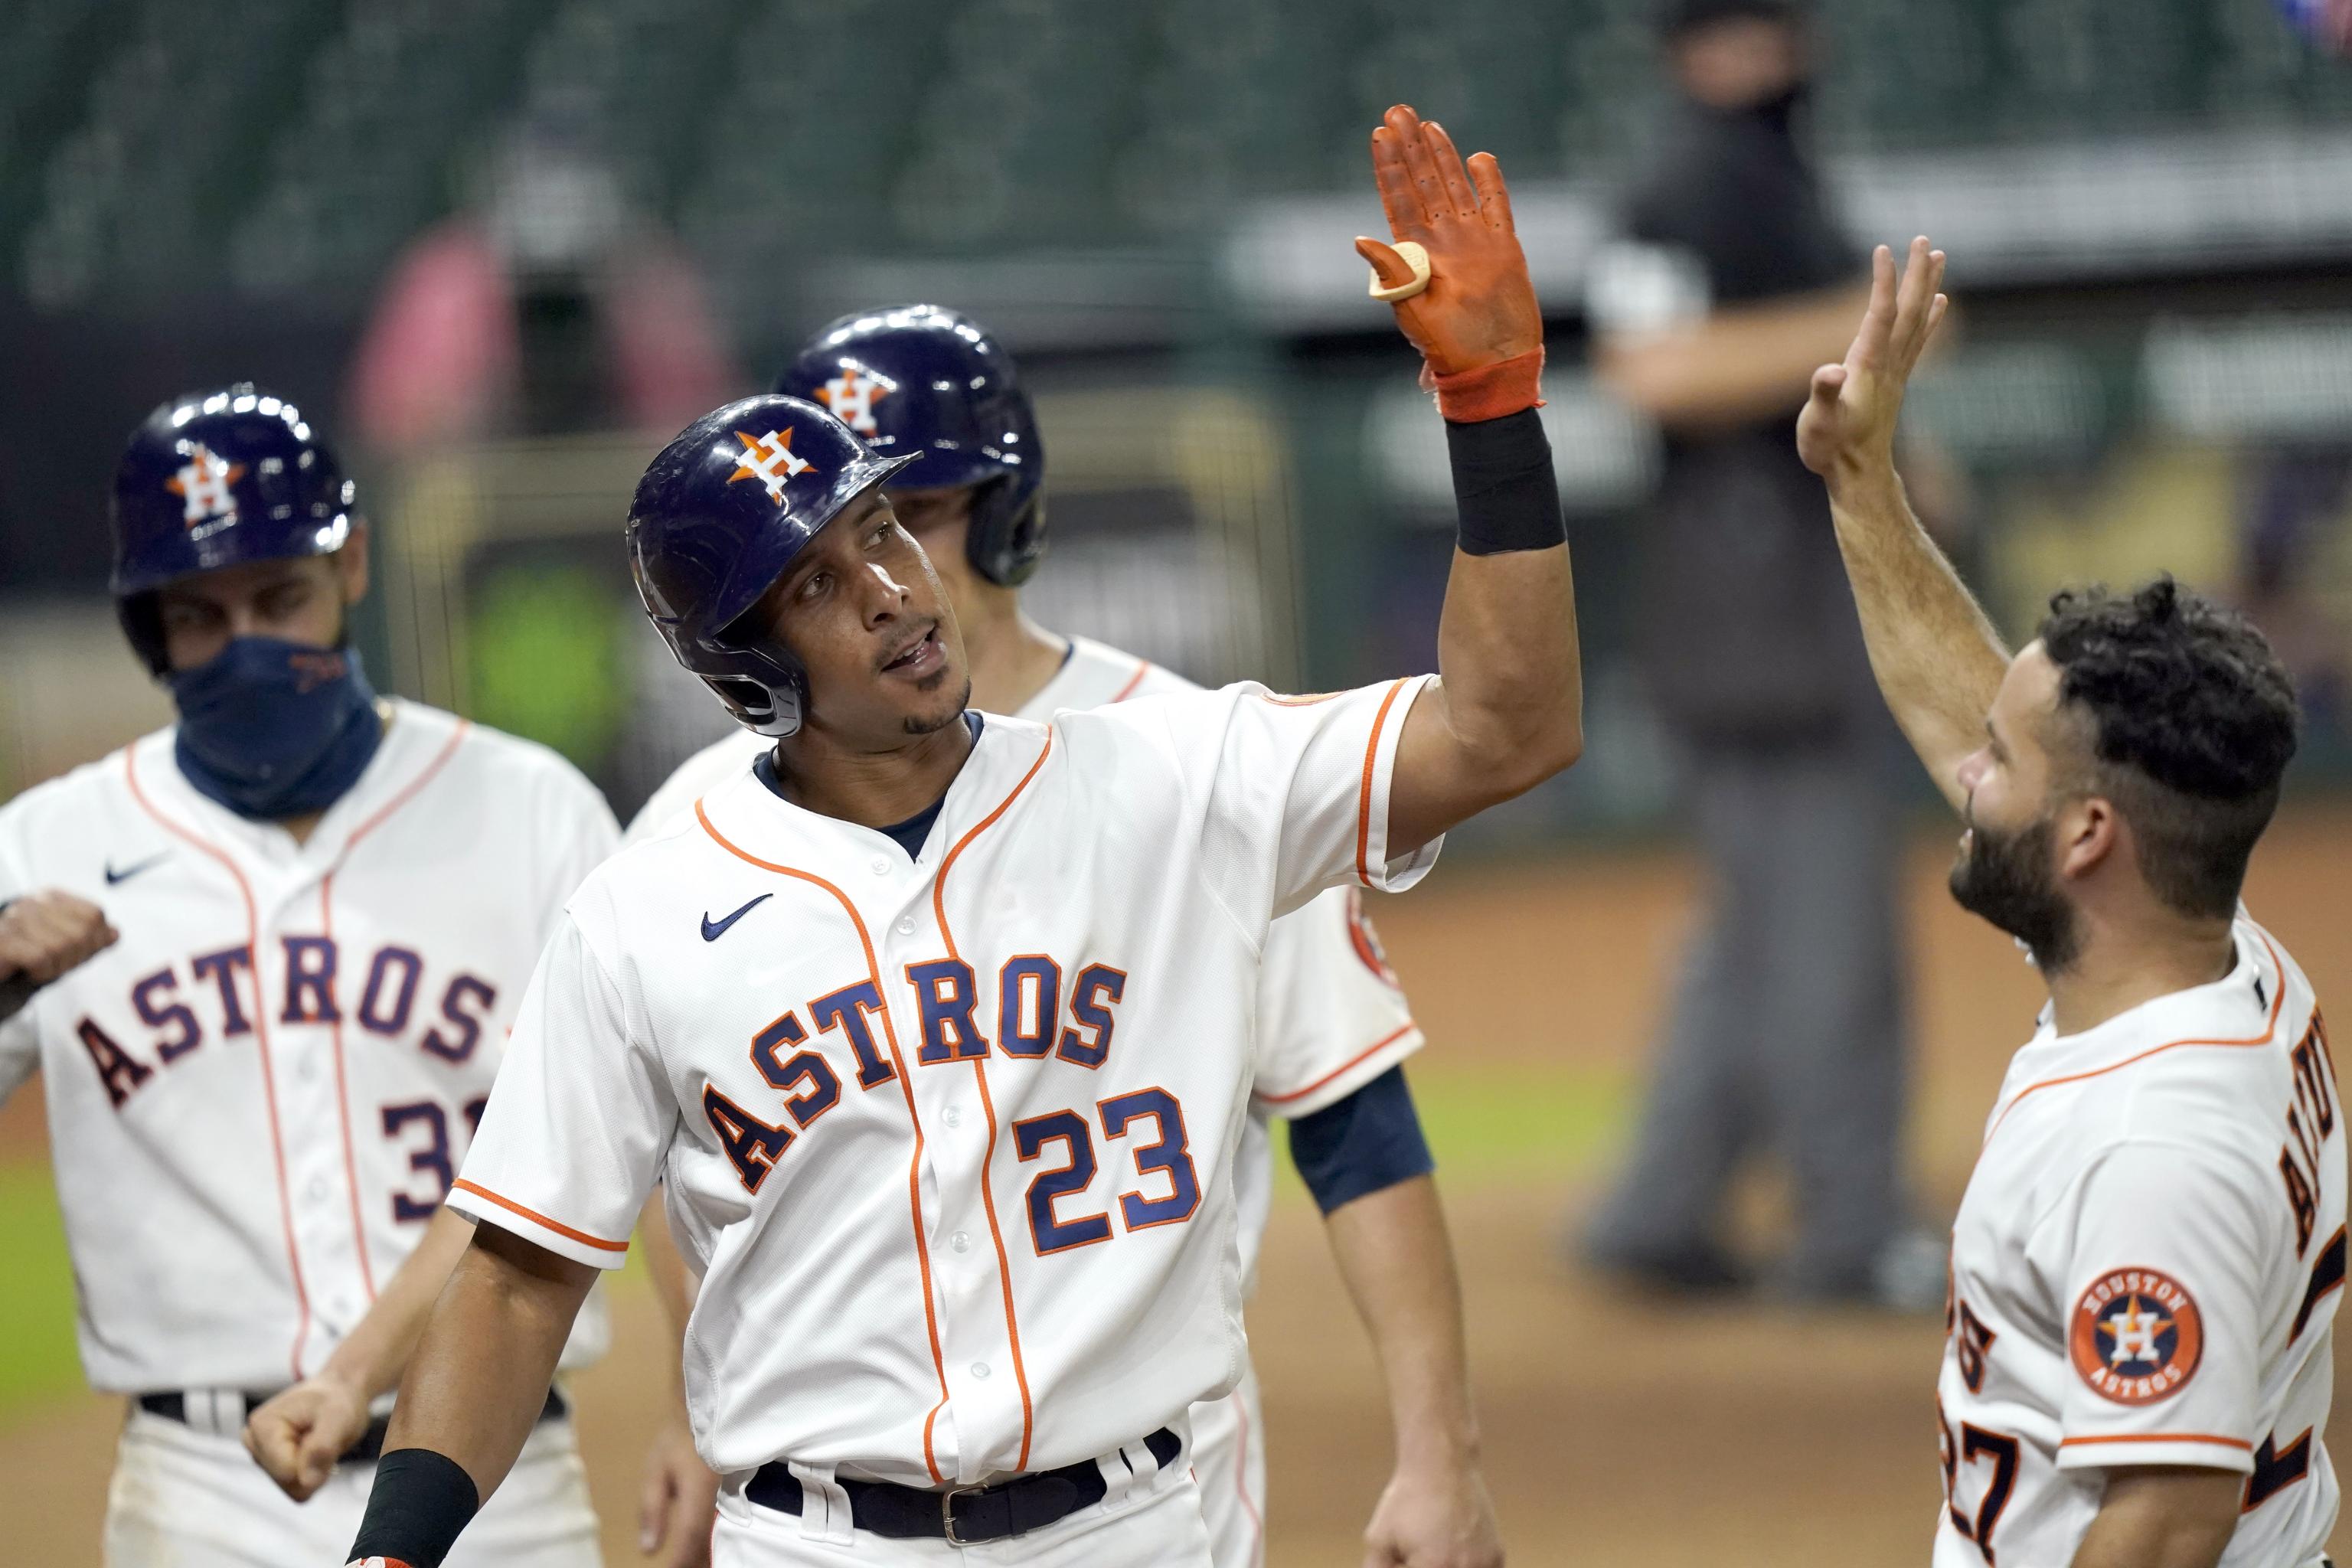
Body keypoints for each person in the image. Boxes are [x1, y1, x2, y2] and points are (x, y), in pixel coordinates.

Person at [339, 103, 1575, 1568]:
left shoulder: (1176, 779)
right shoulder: (644, 908)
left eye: (890, 530)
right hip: (818, 1539)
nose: (888, 588)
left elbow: (1508, 728)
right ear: (749, 664)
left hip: (1143, 1522)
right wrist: (391, 1551)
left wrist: (1489, 402)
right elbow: (520, 1276)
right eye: (817, 581)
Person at [621, 302, 1502, 1568]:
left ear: (1008, 511)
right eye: (828, 544)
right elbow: (672, 1160)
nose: (887, 574)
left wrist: (1439, 1454)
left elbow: (1355, 1119)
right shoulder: (702, 825)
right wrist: (686, 1407)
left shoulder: (1187, 762)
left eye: (913, 517)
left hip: (1156, 1472)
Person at [0, 387, 618, 1565]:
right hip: (199, 1495)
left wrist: (696, 1423)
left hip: (502, 1472)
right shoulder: (43, 848)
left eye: (279, 597)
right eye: (201, 615)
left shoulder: (532, 810)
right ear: (150, 629)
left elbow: (648, 1145)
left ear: (355, 566)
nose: (249, 648)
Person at [1800, 237, 2337, 1567]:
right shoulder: (2224, 956)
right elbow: (1970, 720)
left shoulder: (2153, 1153)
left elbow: (2164, 1522)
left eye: (2003, 761)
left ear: (2091, 835)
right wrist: (1863, 487)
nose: (1963, 770)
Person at [1578, 0, 1929, 1305]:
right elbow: (1648, 370)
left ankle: (1658, 1205)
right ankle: (1850, 1228)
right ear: (1687, 49)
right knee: (1825, 917)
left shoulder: (1774, 171)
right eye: (1736, 30)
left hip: (1777, 582)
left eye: (1776, 26)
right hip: (1750, 604)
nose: (1767, 55)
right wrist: (1866, 322)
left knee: (1762, 925)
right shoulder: (1679, 178)